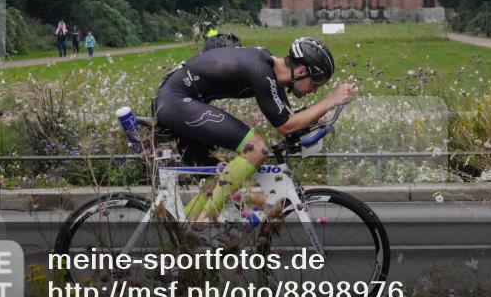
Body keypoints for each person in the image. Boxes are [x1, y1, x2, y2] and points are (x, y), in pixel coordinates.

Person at [152, 36, 356, 222]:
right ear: (301, 71)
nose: (314, 91)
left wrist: (316, 124)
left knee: (216, 183)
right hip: (176, 101)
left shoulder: (268, 70)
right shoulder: (261, 70)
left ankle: (182, 236)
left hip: (179, 102)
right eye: (316, 84)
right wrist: (331, 100)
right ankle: (207, 217)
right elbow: (286, 125)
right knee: (256, 149)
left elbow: (290, 121)